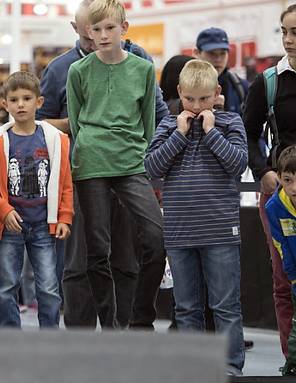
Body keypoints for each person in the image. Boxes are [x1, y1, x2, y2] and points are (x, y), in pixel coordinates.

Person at [37, 0, 168, 328]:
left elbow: (150, 120)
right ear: (85, 31)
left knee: (155, 238)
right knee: (94, 251)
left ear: (124, 28)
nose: (103, 34)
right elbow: (77, 123)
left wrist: (140, 153)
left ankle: (139, 322)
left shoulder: (143, 68)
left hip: (132, 165)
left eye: (110, 27)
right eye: (96, 29)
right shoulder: (74, 70)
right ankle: (109, 326)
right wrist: (90, 149)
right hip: (90, 165)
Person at [145, 59, 247, 375]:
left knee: (225, 307)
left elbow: (238, 165)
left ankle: (230, 366)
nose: (197, 106)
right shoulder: (167, 126)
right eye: (190, 99)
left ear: (217, 93)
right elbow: (151, 169)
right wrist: (178, 136)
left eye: (204, 99)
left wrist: (211, 132)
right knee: (186, 307)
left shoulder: (230, 123)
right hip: (179, 233)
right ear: (179, 93)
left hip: (220, 231)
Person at [0, 71, 73, 328]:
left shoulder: (57, 140)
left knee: (48, 286)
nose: (20, 104)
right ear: (5, 104)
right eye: (14, 99)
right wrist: (3, 210)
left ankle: (49, 334)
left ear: (39, 102)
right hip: (8, 226)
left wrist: (64, 217)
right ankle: (8, 336)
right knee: (6, 286)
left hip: (44, 226)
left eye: (27, 98)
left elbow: (66, 182)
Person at [244, 3, 296, 365]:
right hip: (281, 197)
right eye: (285, 32)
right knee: (284, 281)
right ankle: (291, 358)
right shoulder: (269, 81)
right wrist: (263, 170)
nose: (290, 40)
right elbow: (247, 134)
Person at [266, 145, 296, 376]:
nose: (294, 188)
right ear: (278, 177)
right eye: (288, 180)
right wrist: (293, 276)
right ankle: (292, 363)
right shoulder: (274, 207)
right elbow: (280, 245)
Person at [195, 27, 249, 115]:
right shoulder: (185, 84)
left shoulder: (241, 87)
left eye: (223, 53)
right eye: (211, 53)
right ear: (197, 53)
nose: (218, 59)